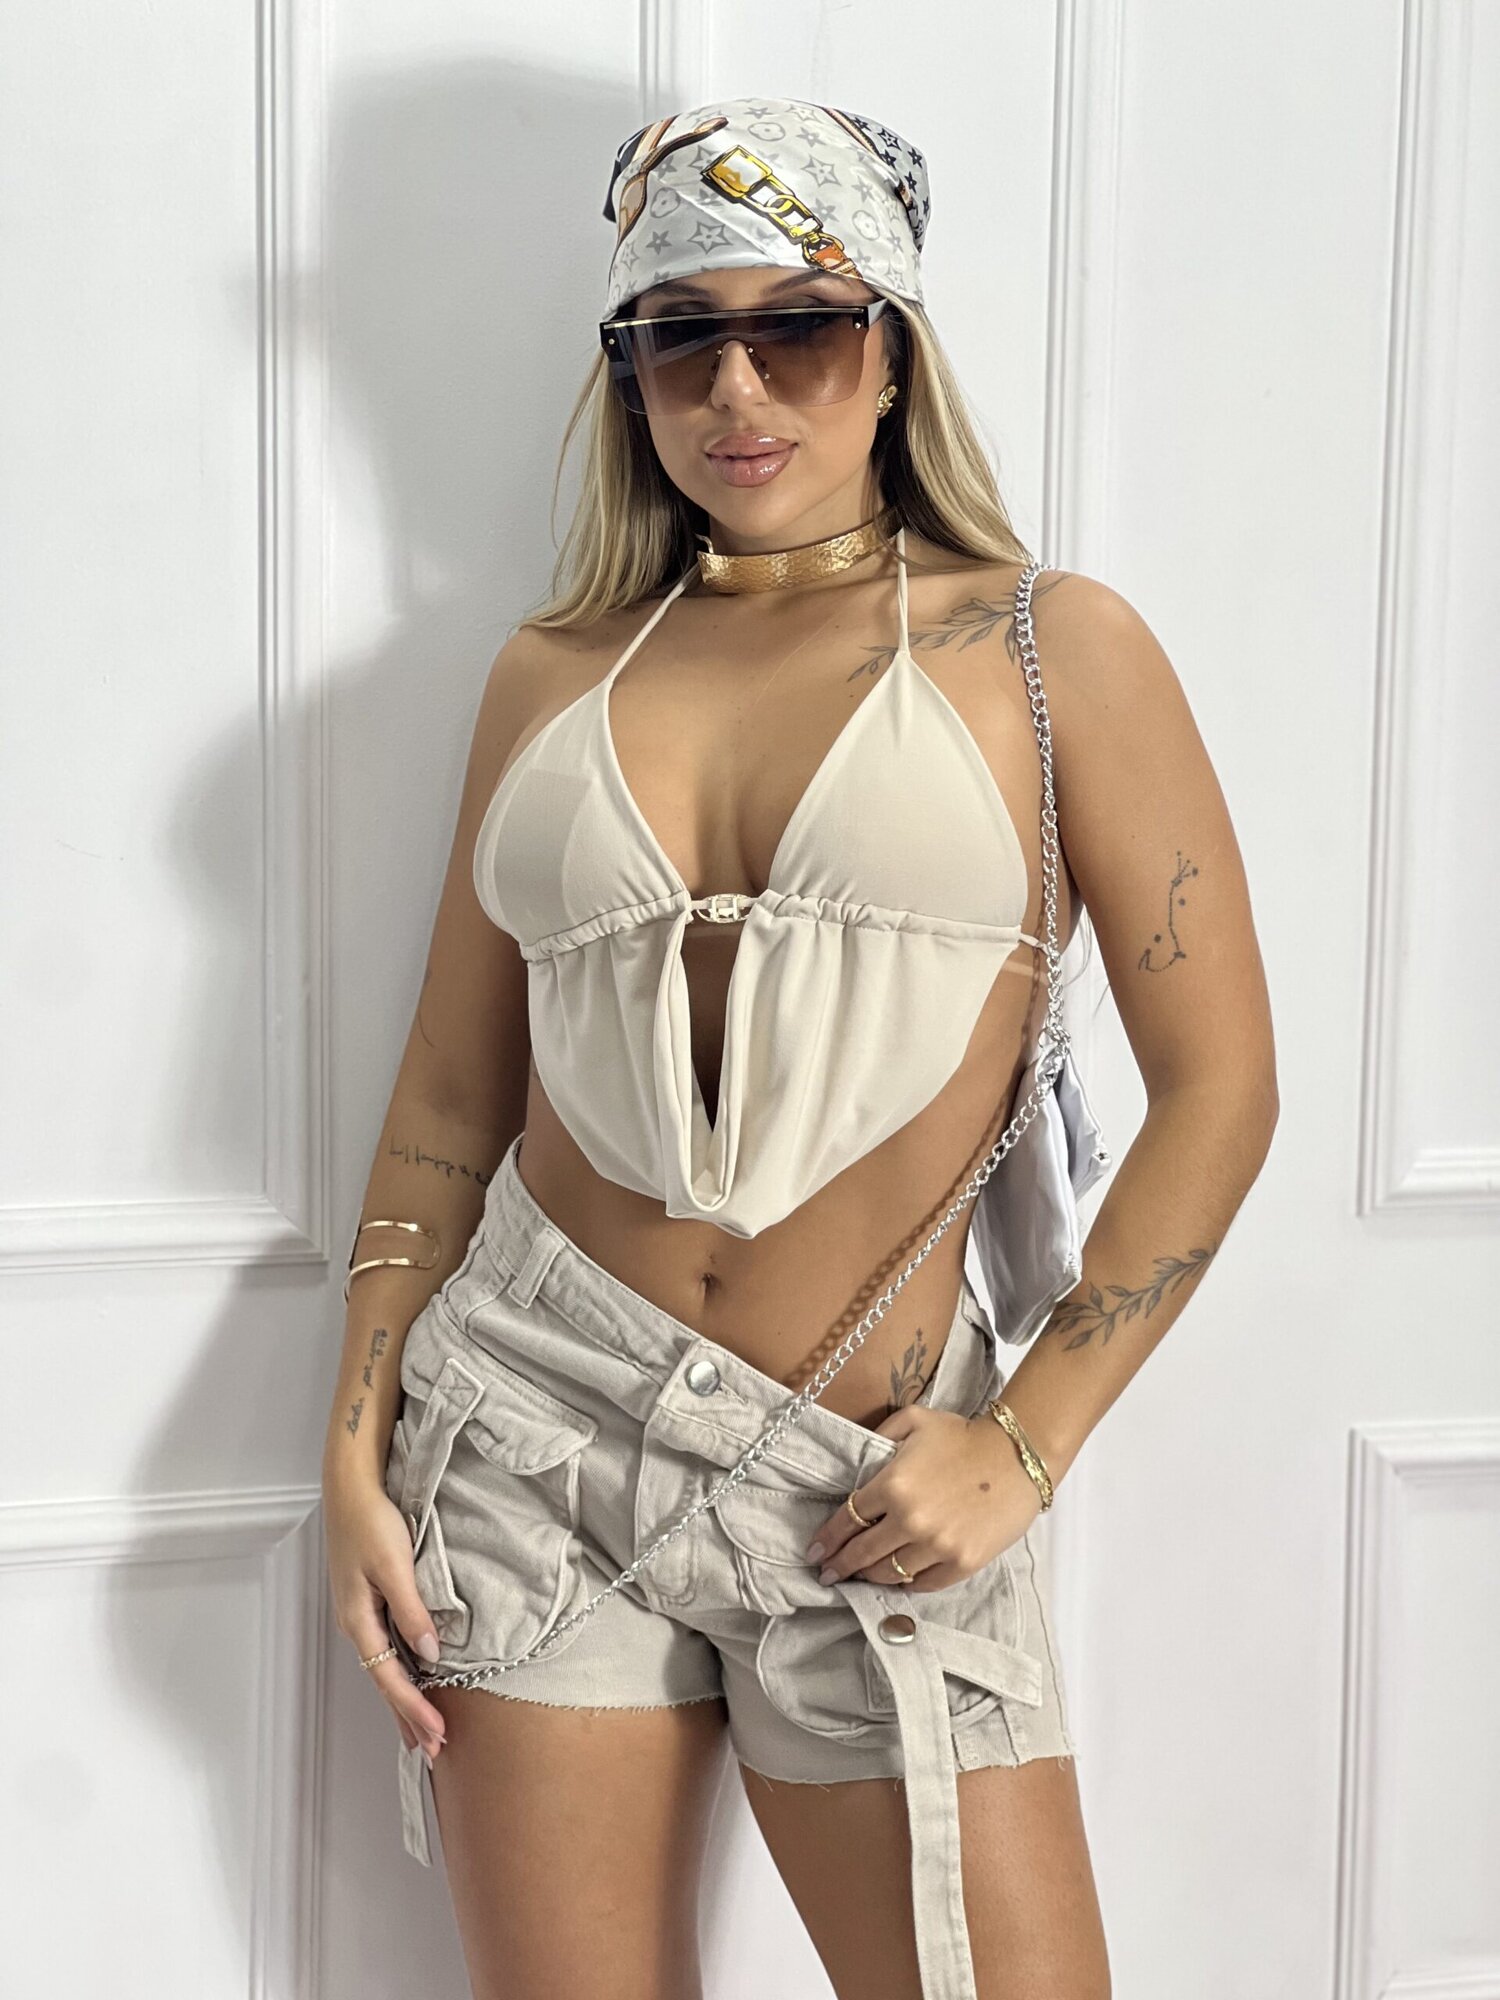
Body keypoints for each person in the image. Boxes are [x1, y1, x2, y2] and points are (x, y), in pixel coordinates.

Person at [320, 95, 1278, 2000]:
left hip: (864, 1468)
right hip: (523, 1427)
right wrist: (351, 1449)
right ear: (628, 373)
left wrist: (1029, 1440)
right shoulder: (551, 670)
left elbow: (1222, 1088)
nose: (736, 388)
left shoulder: (1050, 650)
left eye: (803, 329)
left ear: (895, 349)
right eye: (680, 336)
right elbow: (449, 1098)